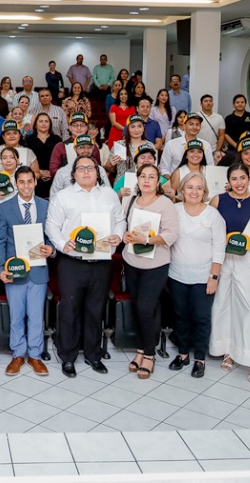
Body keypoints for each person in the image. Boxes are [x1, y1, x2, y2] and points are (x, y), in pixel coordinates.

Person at [46, 155, 126, 377]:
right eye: (81, 168)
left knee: (95, 310)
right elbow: (51, 225)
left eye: (91, 168)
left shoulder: (109, 195)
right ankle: (68, 357)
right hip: (72, 263)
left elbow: (120, 220)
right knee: (69, 310)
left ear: (97, 172)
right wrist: (61, 243)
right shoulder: (63, 197)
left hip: (101, 263)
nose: (86, 172)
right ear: (73, 173)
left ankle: (93, 354)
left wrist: (118, 235)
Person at [209, 164, 250, 383]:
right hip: (222, 257)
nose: (239, 183)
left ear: (249, 179)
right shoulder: (218, 200)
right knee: (222, 303)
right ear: (228, 181)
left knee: (248, 306)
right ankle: (227, 350)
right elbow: (209, 229)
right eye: (234, 178)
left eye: (242, 178)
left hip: (246, 257)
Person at [0, 166, 54, 376]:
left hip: (38, 269)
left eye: (30, 181)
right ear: (16, 184)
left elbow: (52, 236)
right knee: (16, 316)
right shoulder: (5, 208)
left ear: (35, 182)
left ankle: (35, 355)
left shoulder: (46, 206)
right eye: (22, 182)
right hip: (15, 270)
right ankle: (18, 354)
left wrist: (51, 249)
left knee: (36, 316)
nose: (26, 186)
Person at [121, 165, 179, 379]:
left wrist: (146, 240)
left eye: (151, 177)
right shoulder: (131, 201)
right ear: (137, 179)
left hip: (155, 265)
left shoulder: (165, 204)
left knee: (146, 308)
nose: (146, 180)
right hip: (132, 262)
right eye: (143, 176)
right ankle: (140, 350)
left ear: (158, 181)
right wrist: (126, 236)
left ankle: (149, 354)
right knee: (137, 308)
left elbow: (172, 235)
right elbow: (124, 226)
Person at [168, 172, 225, 379]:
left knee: (201, 318)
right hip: (177, 275)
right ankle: (183, 354)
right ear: (182, 190)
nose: (194, 191)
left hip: (204, 277)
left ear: (204, 191)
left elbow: (219, 248)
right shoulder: (173, 211)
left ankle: (200, 359)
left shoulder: (213, 215)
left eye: (199, 188)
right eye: (190, 187)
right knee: (181, 316)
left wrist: (214, 277)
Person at [158, 112, 214, 179]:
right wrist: (172, 181)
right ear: (184, 126)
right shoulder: (171, 144)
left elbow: (210, 168)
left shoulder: (206, 145)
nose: (194, 127)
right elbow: (164, 168)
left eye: (197, 124)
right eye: (191, 124)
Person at [24, 112, 62, 199]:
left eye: (46, 121)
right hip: (35, 177)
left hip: (54, 176)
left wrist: (52, 171)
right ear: (35, 125)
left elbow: (61, 158)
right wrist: (39, 172)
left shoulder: (57, 139)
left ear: (50, 124)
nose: (44, 124)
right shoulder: (29, 139)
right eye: (41, 121)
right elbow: (26, 158)